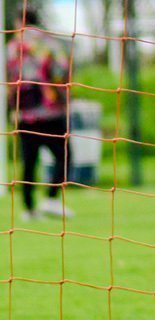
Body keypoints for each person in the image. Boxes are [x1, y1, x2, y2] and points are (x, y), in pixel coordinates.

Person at [6, 6, 74, 221]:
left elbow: (7, 77)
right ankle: (52, 198)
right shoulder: (49, 43)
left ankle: (29, 210)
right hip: (50, 111)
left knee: (29, 162)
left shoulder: (12, 46)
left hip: (24, 114)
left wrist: (11, 106)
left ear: (19, 21)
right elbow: (62, 70)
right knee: (64, 156)